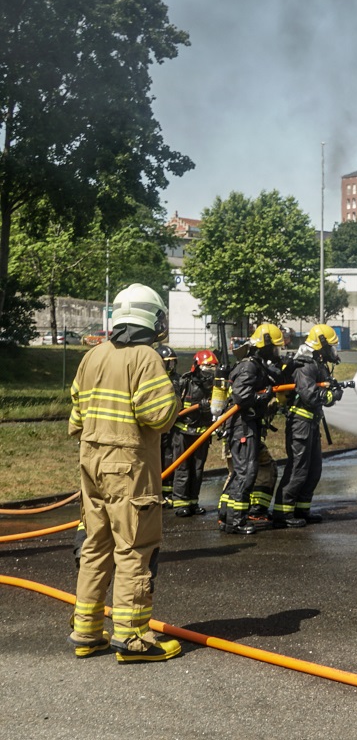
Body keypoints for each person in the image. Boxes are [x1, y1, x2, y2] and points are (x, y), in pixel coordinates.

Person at [68, 283, 181, 663]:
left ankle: (87, 631)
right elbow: (159, 416)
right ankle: (132, 638)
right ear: (152, 317)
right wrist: (172, 384)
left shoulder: (94, 355)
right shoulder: (146, 357)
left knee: (96, 545)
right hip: (128, 467)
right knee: (134, 546)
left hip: (91, 462)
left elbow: (76, 414)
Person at [272, 324, 343, 528]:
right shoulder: (304, 364)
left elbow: (324, 391)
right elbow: (309, 395)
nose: (333, 351)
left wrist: (334, 391)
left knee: (314, 469)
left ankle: (302, 509)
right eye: (331, 346)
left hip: (311, 423)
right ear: (321, 344)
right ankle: (283, 512)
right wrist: (330, 395)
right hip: (300, 424)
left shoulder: (318, 363)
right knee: (298, 469)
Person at [217, 323, 284, 535]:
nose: (276, 351)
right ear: (264, 344)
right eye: (274, 347)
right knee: (246, 472)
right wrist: (262, 397)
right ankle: (236, 521)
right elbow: (241, 395)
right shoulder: (249, 366)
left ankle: (227, 516)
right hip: (242, 426)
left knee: (241, 472)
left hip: (246, 424)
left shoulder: (256, 365)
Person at [170, 349, 218, 517]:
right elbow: (175, 407)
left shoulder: (215, 387)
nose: (209, 372)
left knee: (198, 469)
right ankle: (180, 503)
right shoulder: (185, 382)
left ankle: (193, 502)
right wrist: (196, 407)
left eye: (212, 368)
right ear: (197, 367)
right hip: (183, 433)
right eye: (206, 368)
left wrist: (209, 409)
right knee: (182, 467)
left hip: (202, 434)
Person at [156, 345, 179, 507]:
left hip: (173, 427)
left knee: (169, 458)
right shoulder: (155, 380)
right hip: (157, 427)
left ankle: (167, 492)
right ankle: (158, 492)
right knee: (157, 458)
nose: (170, 367)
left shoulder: (177, 380)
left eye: (172, 363)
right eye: (167, 363)